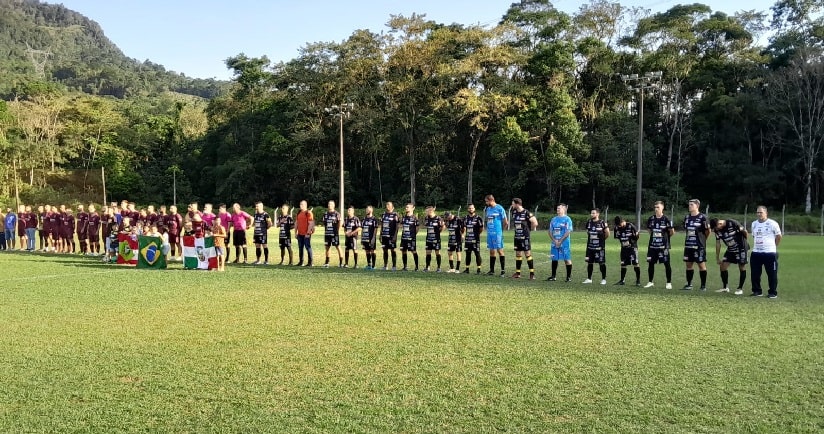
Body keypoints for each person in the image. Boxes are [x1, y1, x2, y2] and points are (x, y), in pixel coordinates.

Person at [710, 217, 749, 295]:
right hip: (730, 249)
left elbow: (745, 232)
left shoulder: (732, 223)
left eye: (716, 228)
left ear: (719, 223)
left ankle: (740, 288)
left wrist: (744, 243)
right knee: (723, 267)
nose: (716, 230)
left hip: (741, 248)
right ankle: (725, 287)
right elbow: (718, 243)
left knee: (741, 267)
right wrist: (717, 257)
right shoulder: (718, 231)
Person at [750, 206, 782, 298]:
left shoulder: (772, 223)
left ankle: (772, 292)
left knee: (772, 274)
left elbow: (779, 236)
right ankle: (757, 291)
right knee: (755, 274)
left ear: (766, 213)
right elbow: (754, 236)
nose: (759, 214)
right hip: (756, 252)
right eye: (758, 212)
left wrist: (774, 246)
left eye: (761, 212)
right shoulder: (754, 224)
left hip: (770, 253)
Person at [644, 201, 675, 289]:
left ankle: (668, 283)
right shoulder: (651, 219)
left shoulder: (666, 219)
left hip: (663, 246)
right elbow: (649, 230)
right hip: (653, 246)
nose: (656, 209)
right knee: (650, 263)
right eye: (655, 207)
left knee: (666, 263)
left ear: (662, 208)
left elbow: (672, 232)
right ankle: (650, 282)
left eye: (658, 207)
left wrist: (665, 239)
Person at [682, 199, 710, 291]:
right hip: (688, 245)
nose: (689, 206)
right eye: (689, 204)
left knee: (701, 265)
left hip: (699, 246)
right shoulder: (687, 217)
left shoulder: (703, 217)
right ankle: (689, 284)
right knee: (688, 265)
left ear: (697, 206)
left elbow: (707, 231)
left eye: (691, 205)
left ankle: (703, 286)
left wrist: (702, 240)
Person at [510, 198, 538, 280]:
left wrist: (529, 230)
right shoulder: (514, 212)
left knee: (527, 254)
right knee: (518, 254)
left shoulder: (526, 212)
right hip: (517, 236)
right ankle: (518, 273)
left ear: (517, 204)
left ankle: (532, 274)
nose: (512, 205)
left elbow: (535, 222)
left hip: (525, 237)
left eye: (513, 204)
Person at [547, 204, 574, 282]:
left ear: (564, 209)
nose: (557, 209)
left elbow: (568, 231)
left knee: (567, 259)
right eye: (557, 208)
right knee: (554, 258)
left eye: (559, 208)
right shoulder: (553, 219)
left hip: (564, 243)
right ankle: (553, 276)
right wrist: (554, 240)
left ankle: (568, 277)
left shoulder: (567, 219)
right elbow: (550, 231)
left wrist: (561, 241)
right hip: (555, 242)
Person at [484, 195, 508, 277]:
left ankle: (503, 271)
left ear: (491, 200)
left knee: (499, 250)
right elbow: (488, 220)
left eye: (487, 201)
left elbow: (505, 222)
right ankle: (492, 270)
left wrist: (501, 231)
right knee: (491, 251)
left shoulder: (500, 208)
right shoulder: (488, 209)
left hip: (497, 233)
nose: (486, 203)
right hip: (490, 233)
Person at [613, 216, 641, 286]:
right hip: (624, 248)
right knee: (623, 264)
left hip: (632, 248)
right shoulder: (617, 228)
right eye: (618, 225)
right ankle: (622, 280)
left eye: (620, 224)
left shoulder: (630, 226)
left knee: (635, 263)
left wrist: (633, 240)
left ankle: (638, 281)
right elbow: (617, 237)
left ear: (623, 221)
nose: (619, 226)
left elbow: (637, 235)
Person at [583, 208, 609, 285]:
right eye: (591, 213)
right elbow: (588, 232)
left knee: (601, 263)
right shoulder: (589, 222)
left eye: (593, 213)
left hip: (599, 247)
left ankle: (604, 279)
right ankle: (589, 278)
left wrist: (602, 240)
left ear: (598, 214)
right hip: (590, 247)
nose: (592, 214)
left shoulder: (602, 223)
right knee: (590, 263)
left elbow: (607, 233)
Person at [463, 204, 484, 274]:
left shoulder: (478, 218)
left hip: (475, 239)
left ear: (474, 209)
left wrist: (477, 235)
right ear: (468, 209)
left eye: (472, 208)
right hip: (467, 239)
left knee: (477, 254)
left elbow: (481, 228)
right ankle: (467, 269)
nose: (470, 209)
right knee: (468, 254)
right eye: (469, 208)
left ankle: (479, 270)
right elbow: (464, 227)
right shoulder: (465, 218)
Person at [423, 206, 444, 272]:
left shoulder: (438, 218)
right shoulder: (427, 218)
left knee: (437, 253)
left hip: (436, 239)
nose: (426, 213)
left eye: (426, 211)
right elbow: (426, 225)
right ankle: (427, 267)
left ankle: (439, 268)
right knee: (428, 253)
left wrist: (439, 231)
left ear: (431, 211)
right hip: (428, 239)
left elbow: (442, 227)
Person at [322, 200, 343, 268]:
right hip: (327, 234)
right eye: (328, 204)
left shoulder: (337, 214)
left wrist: (337, 231)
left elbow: (339, 223)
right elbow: (325, 224)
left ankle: (341, 262)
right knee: (327, 248)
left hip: (334, 234)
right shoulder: (325, 214)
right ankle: (327, 262)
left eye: (331, 204)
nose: (329, 205)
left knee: (338, 247)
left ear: (334, 205)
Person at [380, 202, 399, 270]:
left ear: (392, 207)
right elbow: (382, 225)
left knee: (392, 250)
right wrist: (380, 235)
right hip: (384, 236)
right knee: (385, 250)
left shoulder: (395, 214)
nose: (387, 206)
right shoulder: (383, 214)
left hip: (391, 236)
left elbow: (397, 226)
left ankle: (394, 266)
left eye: (389, 205)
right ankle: (385, 265)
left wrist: (395, 236)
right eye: (386, 204)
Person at [400, 203, 419, 271]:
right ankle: (405, 267)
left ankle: (416, 267)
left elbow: (417, 228)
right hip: (404, 238)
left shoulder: (414, 218)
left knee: (413, 251)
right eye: (406, 207)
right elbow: (402, 226)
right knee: (403, 251)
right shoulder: (404, 217)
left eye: (407, 207)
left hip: (411, 238)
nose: (406, 208)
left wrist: (413, 235)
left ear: (412, 208)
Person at [295, 200, 314, 267]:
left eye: (302, 204)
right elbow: (296, 223)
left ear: (306, 205)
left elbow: (311, 223)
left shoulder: (308, 213)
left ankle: (310, 262)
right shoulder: (299, 213)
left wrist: (308, 233)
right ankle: (301, 261)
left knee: (308, 247)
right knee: (300, 248)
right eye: (300, 204)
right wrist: (295, 232)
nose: (301, 206)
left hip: (306, 234)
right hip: (300, 234)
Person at [360, 206, 378, 270]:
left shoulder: (374, 219)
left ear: (371, 210)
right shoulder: (364, 219)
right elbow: (362, 229)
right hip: (365, 238)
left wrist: (373, 238)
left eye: (368, 210)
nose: (366, 211)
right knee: (367, 251)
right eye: (366, 209)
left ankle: (373, 265)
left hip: (371, 238)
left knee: (372, 251)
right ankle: (369, 264)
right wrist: (361, 237)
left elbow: (375, 229)